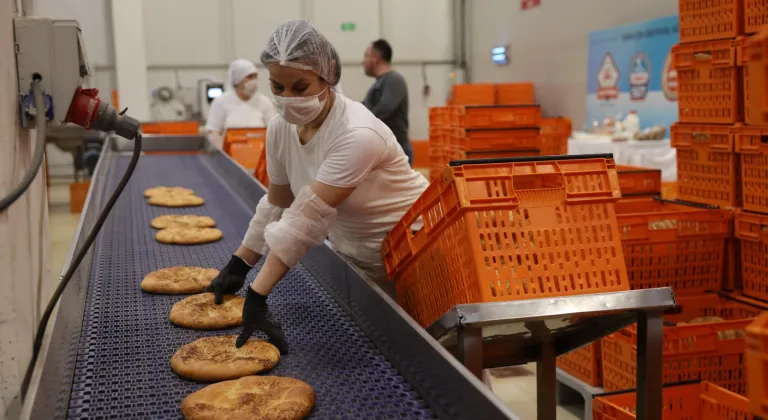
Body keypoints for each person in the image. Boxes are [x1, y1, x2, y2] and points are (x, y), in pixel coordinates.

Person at [205, 20, 429, 354]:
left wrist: (258, 294)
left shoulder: (357, 133)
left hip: (415, 255)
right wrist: (241, 262)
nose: (287, 99)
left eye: (300, 86)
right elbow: (278, 202)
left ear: (329, 76)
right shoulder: (280, 129)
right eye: (278, 88)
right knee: (382, 352)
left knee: (433, 356)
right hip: (357, 253)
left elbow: (306, 218)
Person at [205, 59, 278, 148]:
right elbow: (213, 131)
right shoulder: (221, 102)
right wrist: (224, 153)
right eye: (250, 77)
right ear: (237, 80)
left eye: (255, 77)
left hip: (259, 156)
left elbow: (273, 131)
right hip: (230, 156)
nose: (254, 81)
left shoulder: (264, 102)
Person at [362, 39, 413, 166]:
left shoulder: (394, 80)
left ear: (376, 58)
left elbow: (383, 110)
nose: (363, 62)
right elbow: (363, 107)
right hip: (385, 152)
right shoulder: (379, 83)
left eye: (366, 56)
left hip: (397, 153)